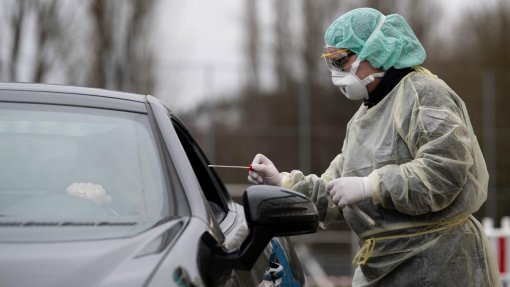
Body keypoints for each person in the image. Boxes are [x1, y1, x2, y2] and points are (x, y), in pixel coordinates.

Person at [247, 7, 500, 286]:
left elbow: (444, 173)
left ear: (376, 51)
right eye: (329, 62)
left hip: (441, 263)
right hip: (384, 266)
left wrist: (371, 186)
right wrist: (283, 182)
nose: (335, 71)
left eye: (340, 60)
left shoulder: (423, 94)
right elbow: (336, 189)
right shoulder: (364, 117)